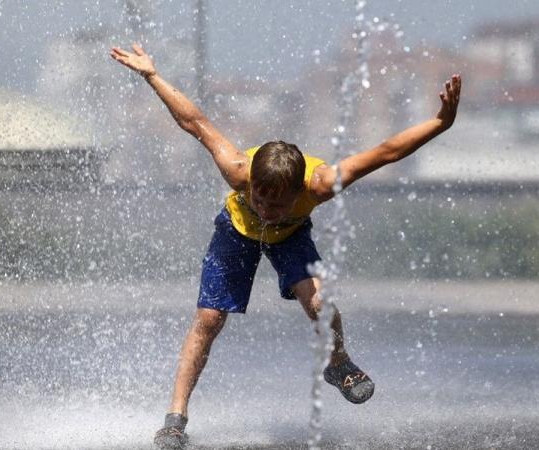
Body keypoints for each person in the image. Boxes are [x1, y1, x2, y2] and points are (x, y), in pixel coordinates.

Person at [110, 43, 461, 449]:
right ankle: (174, 419)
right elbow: (194, 121)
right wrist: (152, 75)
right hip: (236, 232)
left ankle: (338, 363)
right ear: (251, 185)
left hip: (292, 238)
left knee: (318, 304)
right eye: (261, 200)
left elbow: (385, 152)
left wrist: (440, 123)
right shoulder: (239, 171)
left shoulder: (322, 183)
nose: (268, 210)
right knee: (208, 319)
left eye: (278, 204)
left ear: (299, 191)